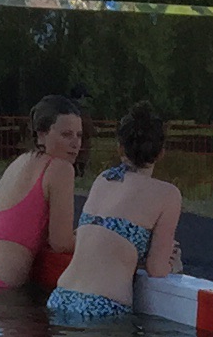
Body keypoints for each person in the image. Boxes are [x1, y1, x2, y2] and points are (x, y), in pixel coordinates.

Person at [46, 100, 183, 324]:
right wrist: (172, 265)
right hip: (104, 306)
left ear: (120, 148)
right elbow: (156, 269)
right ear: (161, 153)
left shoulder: (104, 179)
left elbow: (108, 243)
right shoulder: (168, 194)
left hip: (61, 297)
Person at [0, 95, 80, 291]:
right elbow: (61, 243)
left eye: (79, 135)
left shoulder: (19, 162)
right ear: (42, 134)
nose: (75, 143)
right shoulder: (60, 169)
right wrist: (93, 236)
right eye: (66, 135)